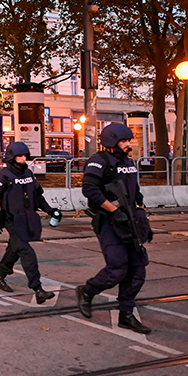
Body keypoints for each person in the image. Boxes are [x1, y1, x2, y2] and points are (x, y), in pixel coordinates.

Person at [76, 123, 154, 334]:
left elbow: (135, 192)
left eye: (129, 140)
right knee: (118, 267)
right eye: (124, 141)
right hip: (109, 222)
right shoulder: (98, 161)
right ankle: (87, 291)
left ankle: (126, 315)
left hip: (130, 221)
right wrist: (113, 210)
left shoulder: (128, 162)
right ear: (111, 141)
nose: (128, 144)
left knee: (138, 270)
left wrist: (142, 220)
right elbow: (90, 190)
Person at [0, 142, 61, 304]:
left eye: (25, 156)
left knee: (15, 248)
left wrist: (50, 210)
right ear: (11, 157)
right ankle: (38, 289)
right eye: (19, 156)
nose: (23, 159)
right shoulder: (4, 175)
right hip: (11, 219)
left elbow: (38, 196)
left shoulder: (28, 173)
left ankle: (0, 276)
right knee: (26, 251)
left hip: (27, 218)